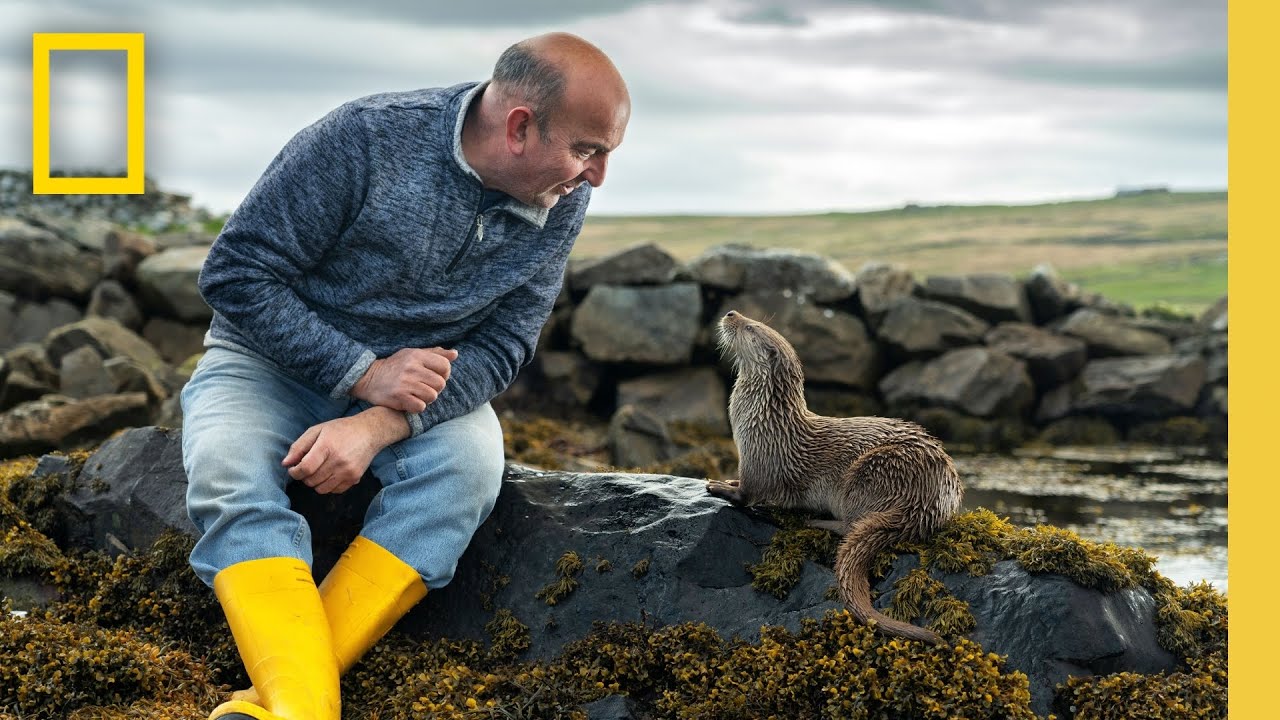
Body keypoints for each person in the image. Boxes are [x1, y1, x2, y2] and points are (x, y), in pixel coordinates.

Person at [179, 32, 630, 720]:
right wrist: (362, 373)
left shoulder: (562, 194)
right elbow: (235, 275)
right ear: (518, 126)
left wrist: (377, 423)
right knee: (225, 472)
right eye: (588, 151)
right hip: (263, 366)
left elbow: (507, 343)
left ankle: (286, 703)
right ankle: (308, 709)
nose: (595, 177)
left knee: (468, 472)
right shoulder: (362, 139)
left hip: (418, 392)